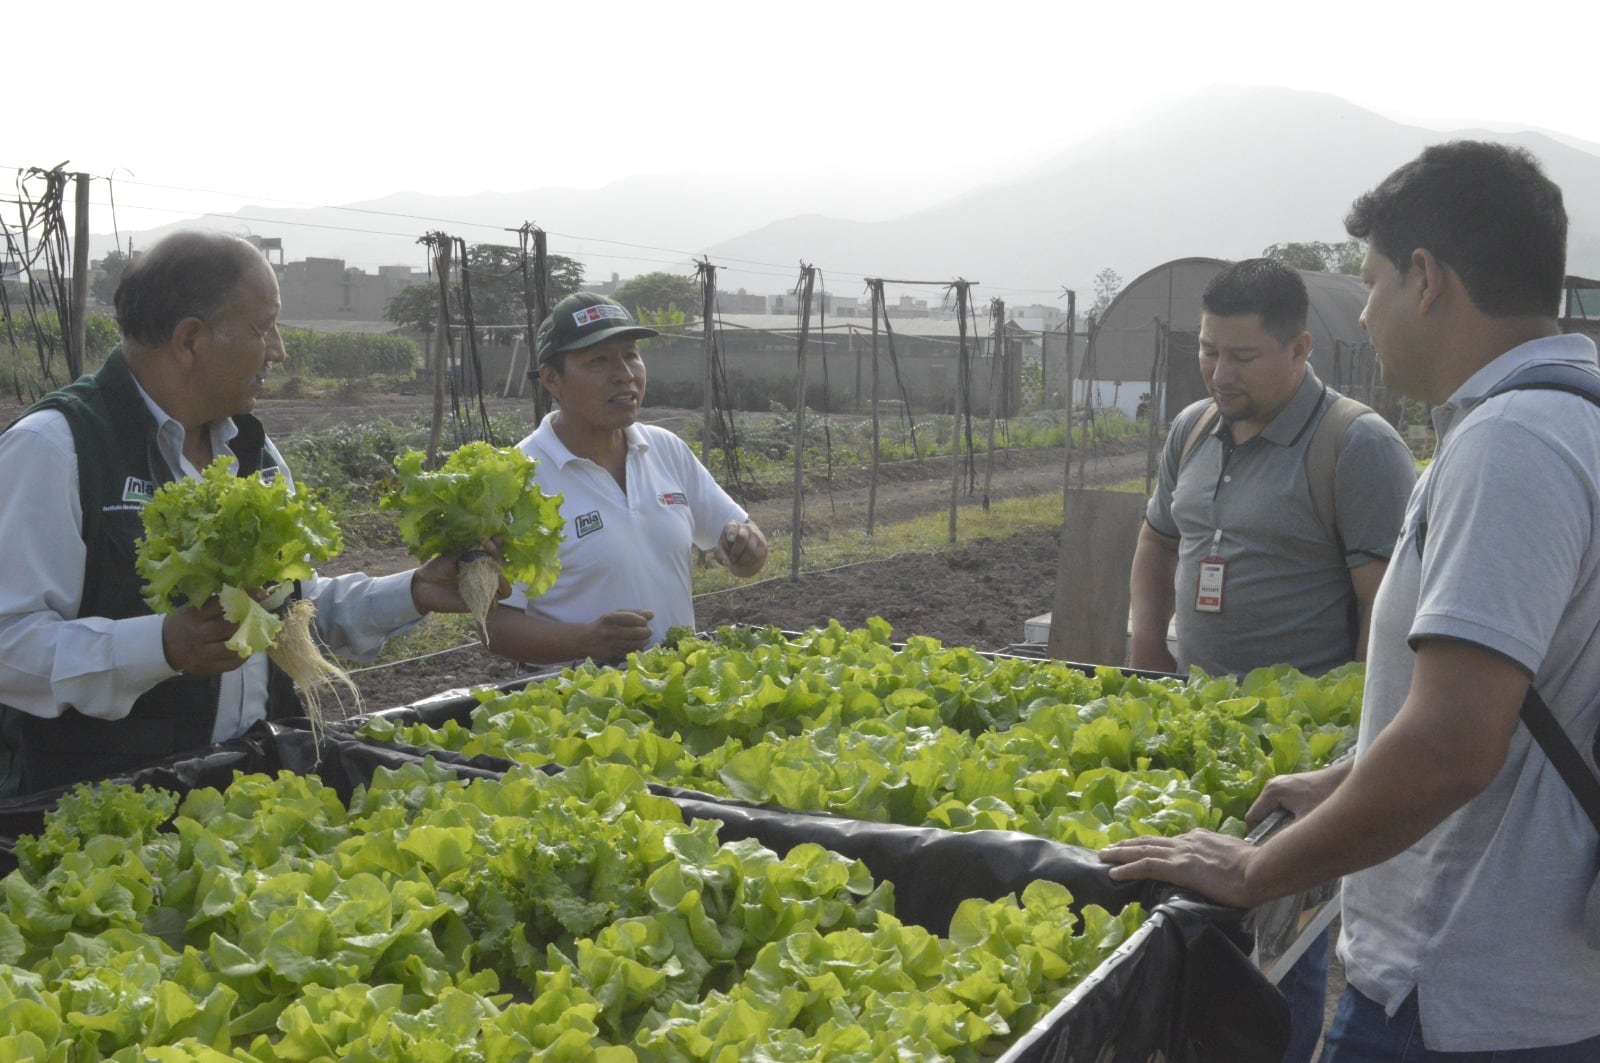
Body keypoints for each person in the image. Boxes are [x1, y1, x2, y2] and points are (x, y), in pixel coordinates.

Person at [1102, 140, 1600, 1060]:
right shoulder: (1575, 415)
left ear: (1426, 279)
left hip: (1460, 995)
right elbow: (1524, 694)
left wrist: (1256, 869)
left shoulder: (1513, 444)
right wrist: (1344, 777)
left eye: (1369, 283)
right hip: (1530, 985)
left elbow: (1453, 744)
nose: (1363, 315)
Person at [0, 231, 491, 796]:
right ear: (189, 340)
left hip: (246, 797)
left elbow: (292, 613)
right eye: (263, 328)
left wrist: (416, 591)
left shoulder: (252, 453)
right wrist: (159, 646)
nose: (278, 350)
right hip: (100, 812)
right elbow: (13, 646)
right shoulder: (57, 448)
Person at [1126, 257, 1416, 1061]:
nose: (1220, 371)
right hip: (1195, 731)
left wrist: (1356, 751)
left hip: (1298, 759)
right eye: (1207, 350)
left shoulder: (1355, 446)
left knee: (1279, 964)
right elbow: (1157, 541)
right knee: (1188, 936)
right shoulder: (1190, 429)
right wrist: (1145, 654)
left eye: (1242, 356)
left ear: (1300, 348)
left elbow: (1383, 611)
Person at [485, 292, 768, 665]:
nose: (624, 374)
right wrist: (584, 641)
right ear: (552, 380)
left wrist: (748, 548)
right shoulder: (517, 479)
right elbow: (495, 625)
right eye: (599, 360)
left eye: (631, 355)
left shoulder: (666, 450)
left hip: (675, 694)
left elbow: (742, 552)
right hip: (573, 709)